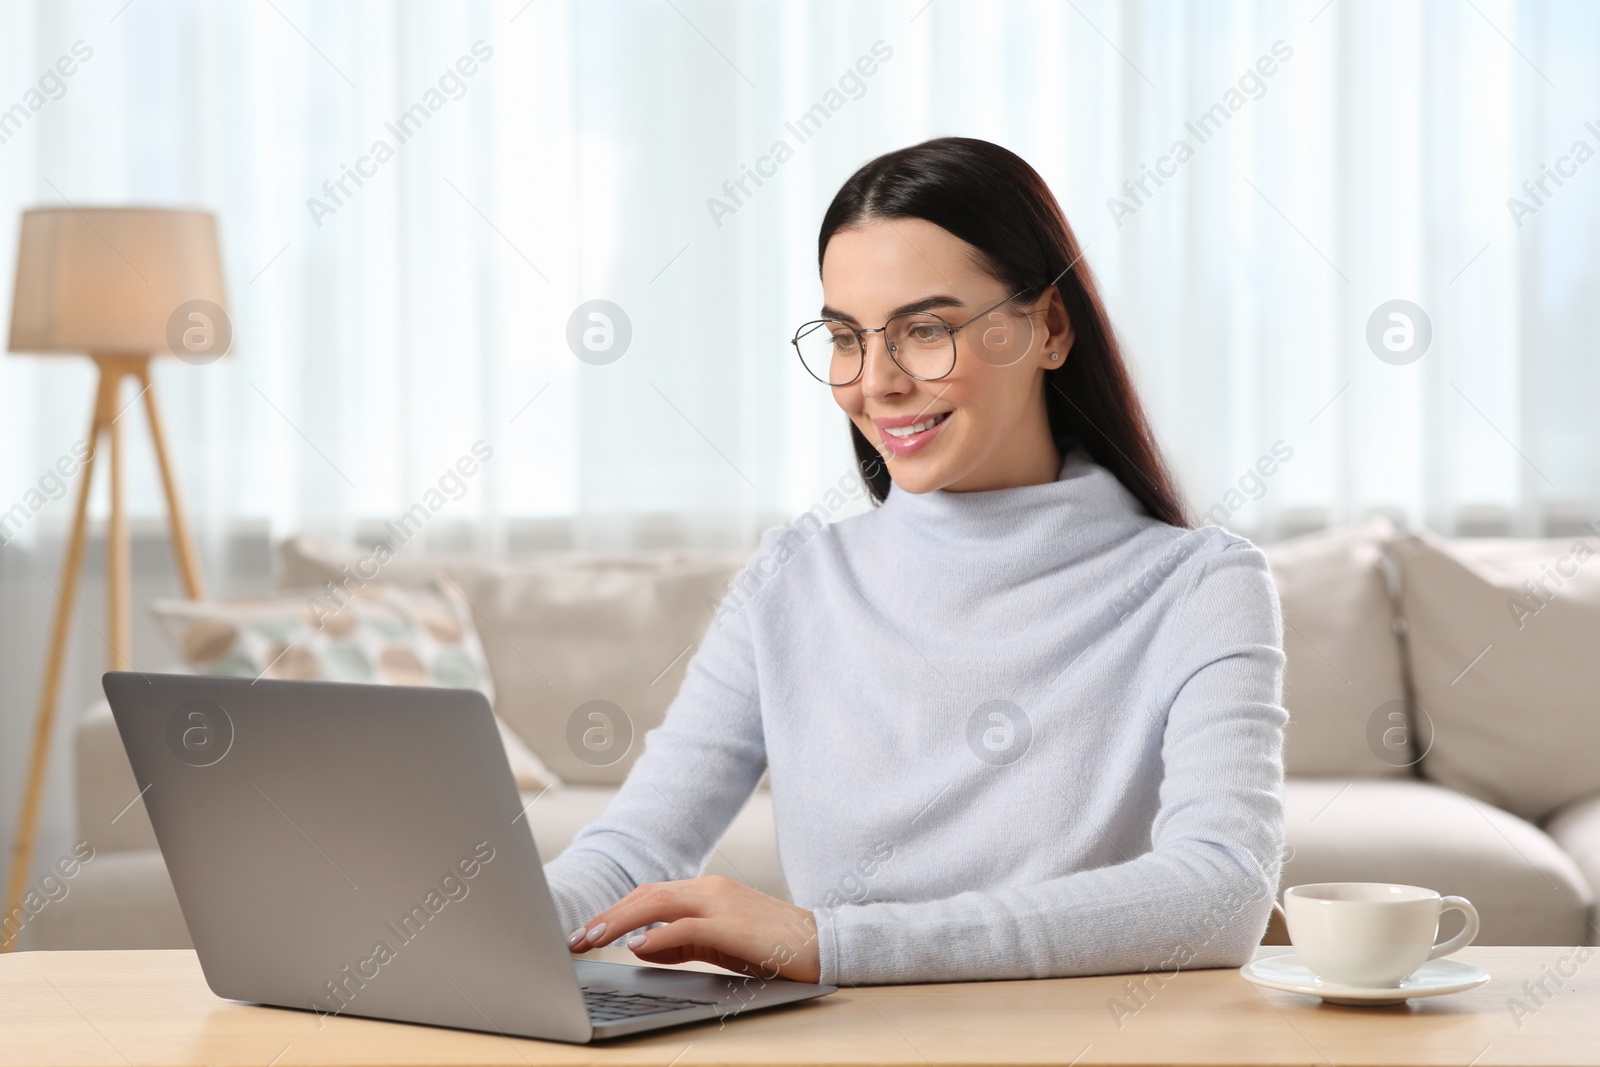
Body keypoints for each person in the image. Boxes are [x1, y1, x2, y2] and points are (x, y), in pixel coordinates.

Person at [546, 136, 1287, 986]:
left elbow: (1222, 891)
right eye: (846, 337)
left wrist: (831, 942)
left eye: (925, 330)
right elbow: (633, 849)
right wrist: (470, 935)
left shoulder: (1202, 586)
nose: (878, 382)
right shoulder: (793, 582)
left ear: (1047, 328)